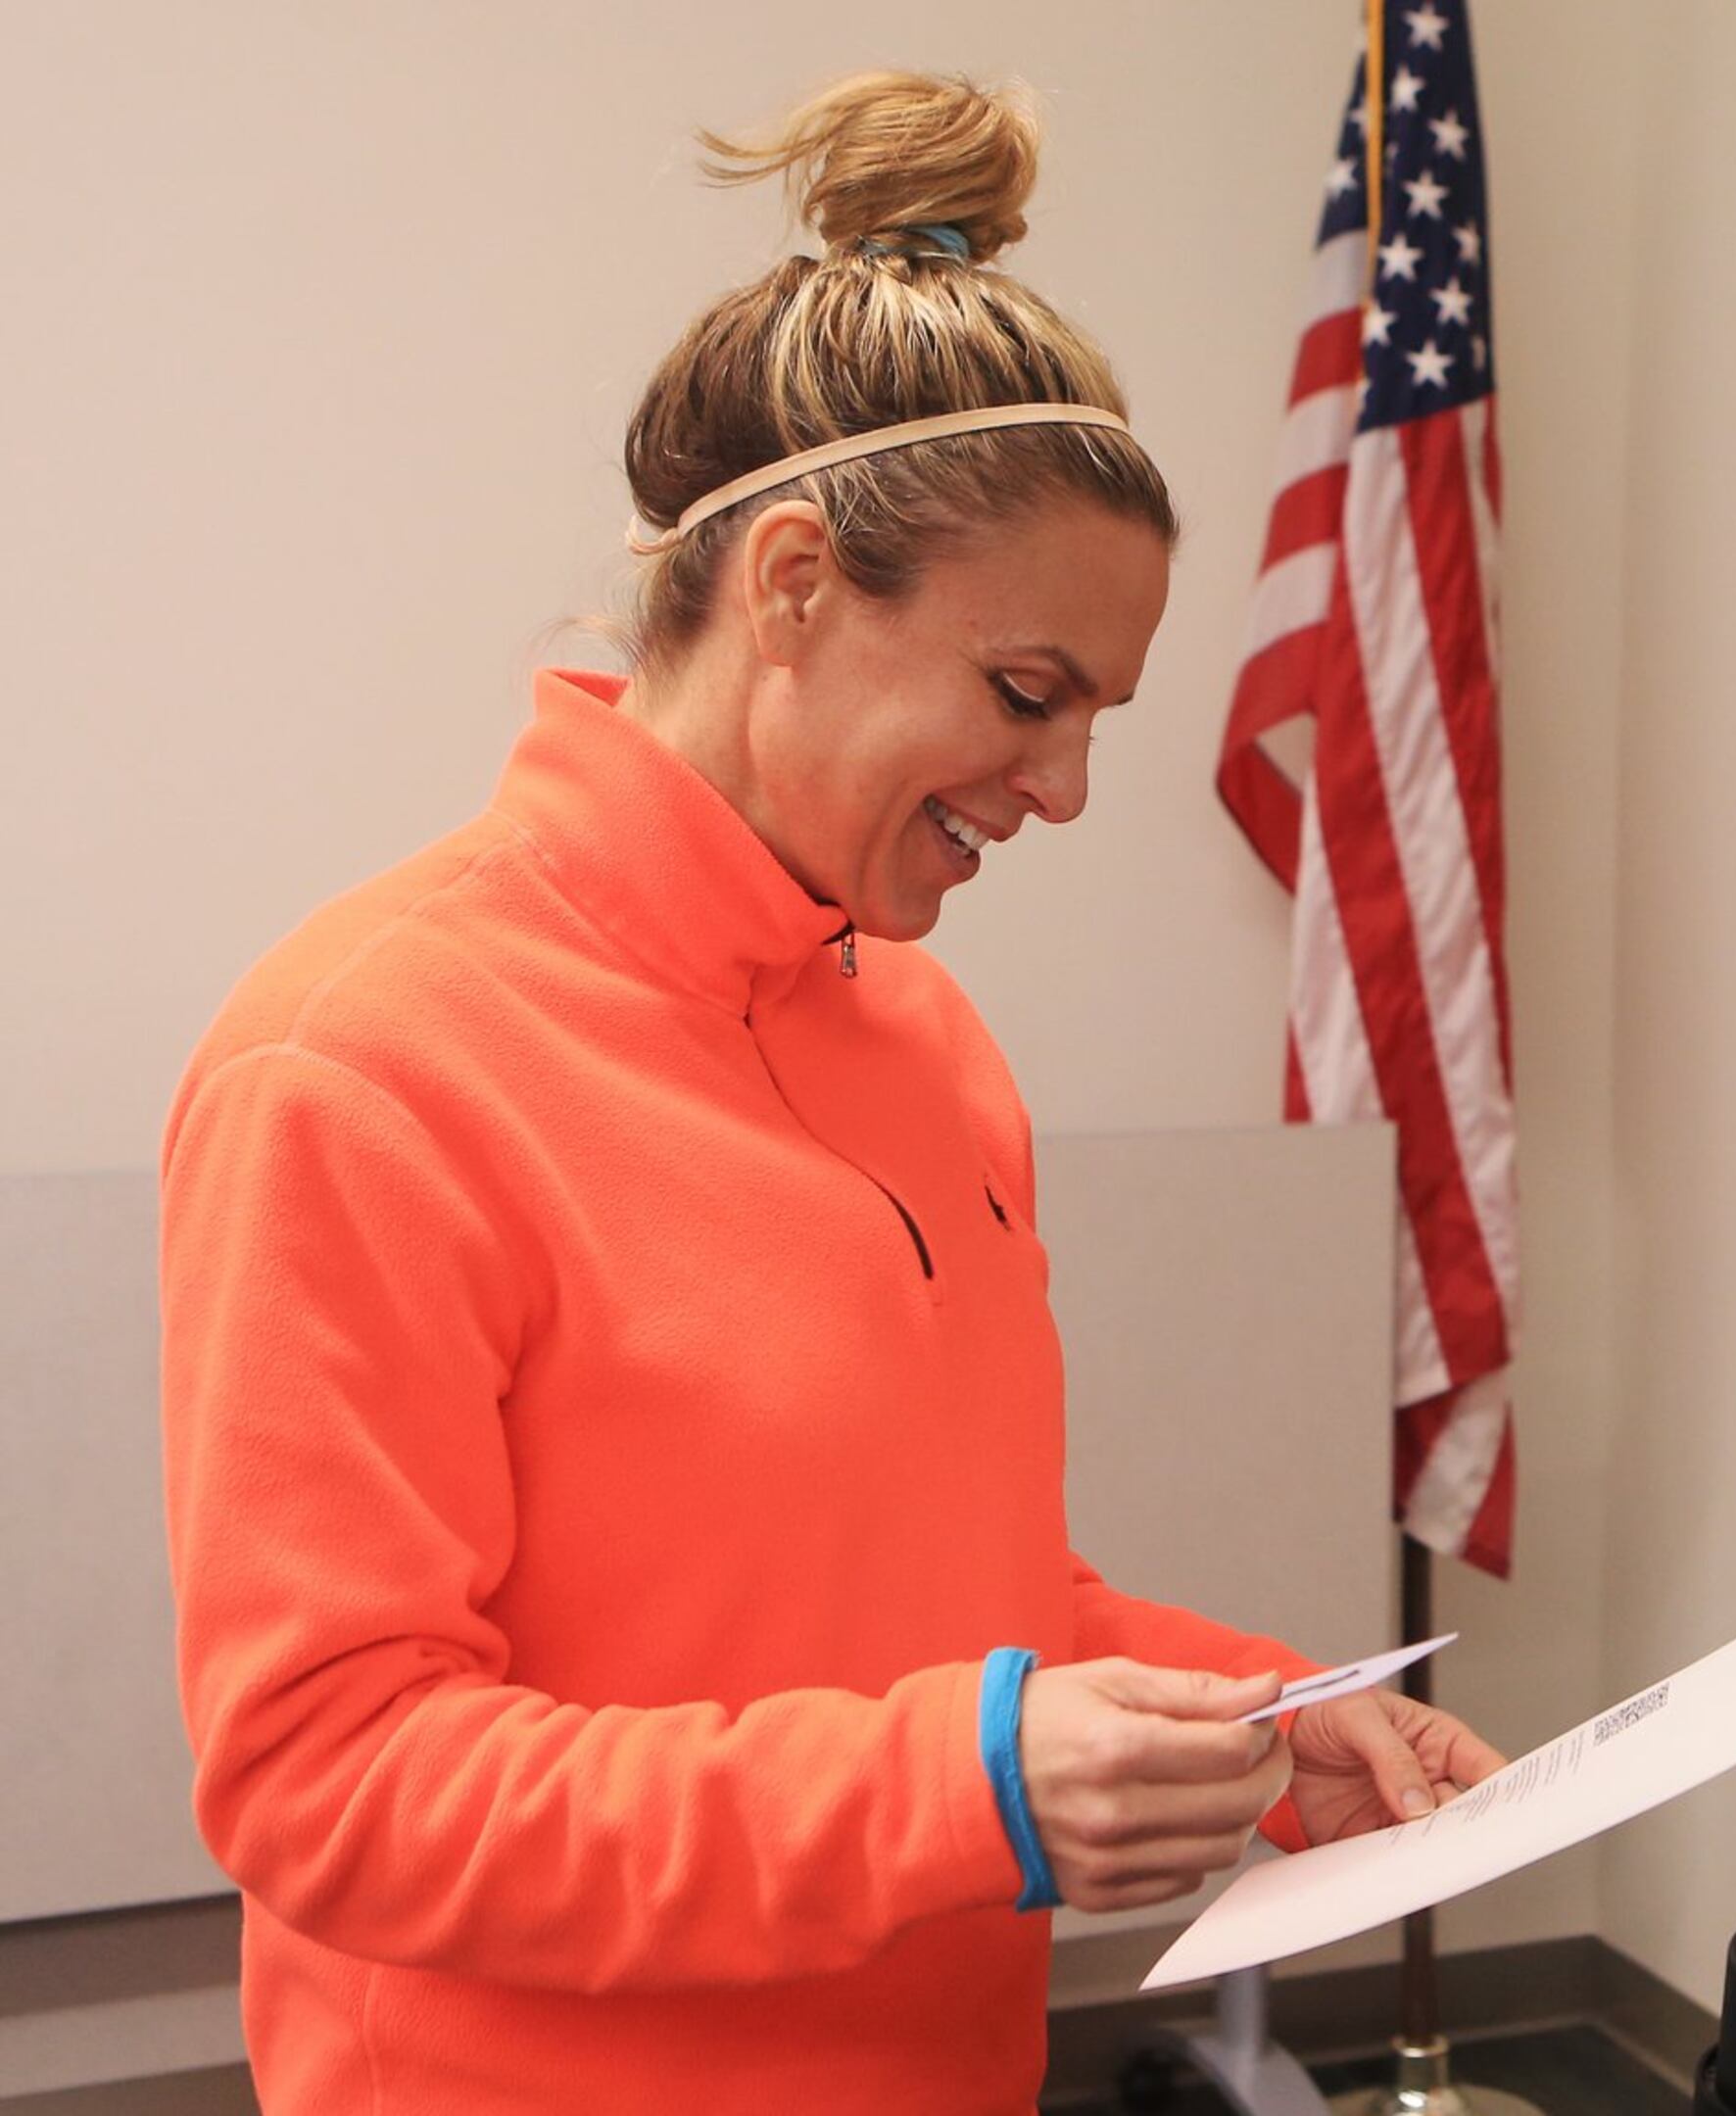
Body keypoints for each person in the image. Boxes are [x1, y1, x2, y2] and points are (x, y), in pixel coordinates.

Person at [158, 72, 1501, 2112]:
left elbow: (946, 1601)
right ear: (791, 584)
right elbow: (330, 1786)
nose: (1060, 790)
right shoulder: (357, 1065)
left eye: (1096, 721)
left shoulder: (918, 1032)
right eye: (1024, 695)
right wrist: (964, 1788)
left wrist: (1253, 1712)